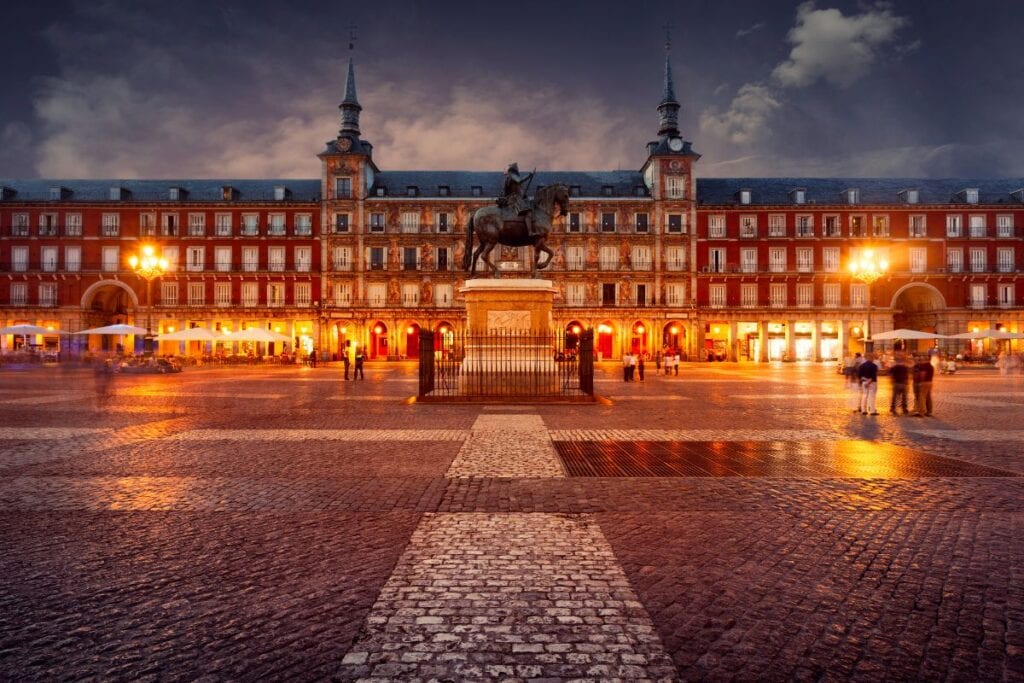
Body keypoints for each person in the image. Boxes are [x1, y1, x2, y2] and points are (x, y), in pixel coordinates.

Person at [501, 162, 537, 236]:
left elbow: (506, 191)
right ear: (515, 169)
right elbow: (519, 181)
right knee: (528, 213)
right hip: (515, 199)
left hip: (511, 198)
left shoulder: (507, 177)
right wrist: (529, 175)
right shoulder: (512, 176)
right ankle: (530, 231)